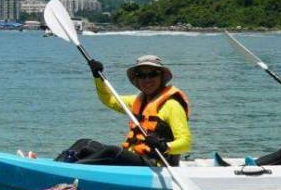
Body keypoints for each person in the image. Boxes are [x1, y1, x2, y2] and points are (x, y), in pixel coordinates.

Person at [56, 54, 192, 166]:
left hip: (156, 164)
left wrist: (164, 146)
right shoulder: (136, 101)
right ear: (137, 80)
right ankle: (58, 165)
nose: (147, 79)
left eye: (152, 74)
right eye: (141, 75)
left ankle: (71, 171)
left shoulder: (172, 105)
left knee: (112, 151)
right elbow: (108, 100)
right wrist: (98, 77)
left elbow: (185, 143)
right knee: (84, 143)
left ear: (161, 77)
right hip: (134, 158)